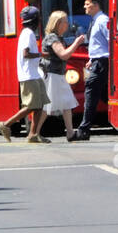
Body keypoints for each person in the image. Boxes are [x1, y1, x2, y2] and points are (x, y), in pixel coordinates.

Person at [0, 6, 49, 143]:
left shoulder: (27, 33)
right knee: (31, 106)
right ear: (35, 20)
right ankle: (6, 124)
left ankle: (33, 134)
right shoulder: (28, 33)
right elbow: (26, 54)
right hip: (29, 76)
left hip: (33, 74)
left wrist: (40, 62)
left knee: (40, 104)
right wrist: (41, 54)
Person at [41, 10, 85, 142]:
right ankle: (35, 132)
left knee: (66, 103)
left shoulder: (58, 38)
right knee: (46, 106)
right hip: (53, 76)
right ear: (57, 24)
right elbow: (63, 55)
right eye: (65, 22)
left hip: (58, 75)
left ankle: (70, 133)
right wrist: (76, 43)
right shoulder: (52, 38)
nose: (67, 24)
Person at [73, 0, 109, 141]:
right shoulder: (96, 21)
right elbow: (99, 43)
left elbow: (110, 40)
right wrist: (91, 59)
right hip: (96, 61)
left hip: (102, 62)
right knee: (102, 94)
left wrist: (102, 59)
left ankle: (84, 130)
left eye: (87, 4)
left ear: (95, 5)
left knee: (90, 91)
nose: (84, 7)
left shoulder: (102, 21)